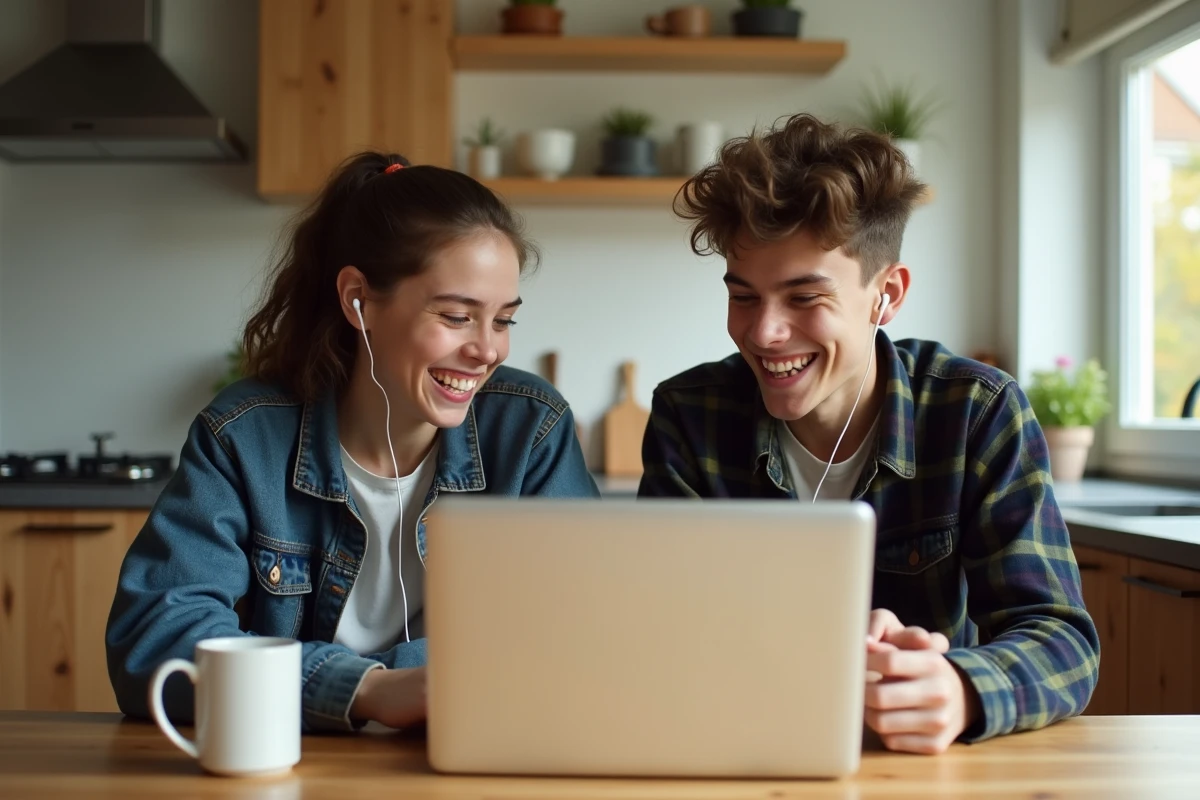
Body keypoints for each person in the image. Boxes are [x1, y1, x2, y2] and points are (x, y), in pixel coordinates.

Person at [638, 114, 1099, 754]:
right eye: (744, 296)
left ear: (887, 295)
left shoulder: (976, 412)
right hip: (742, 752)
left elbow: (1062, 640)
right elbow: (659, 632)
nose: (764, 333)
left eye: (804, 299)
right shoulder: (689, 414)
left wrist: (963, 688)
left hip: (922, 772)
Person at [106, 152, 598, 732]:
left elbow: (577, 632)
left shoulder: (529, 431)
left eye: (504, 320)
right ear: (358, 300)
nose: (488, 350)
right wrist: (367, 688)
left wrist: (382, 680)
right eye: (457, 316)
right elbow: (153, 639)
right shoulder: (244, 435)